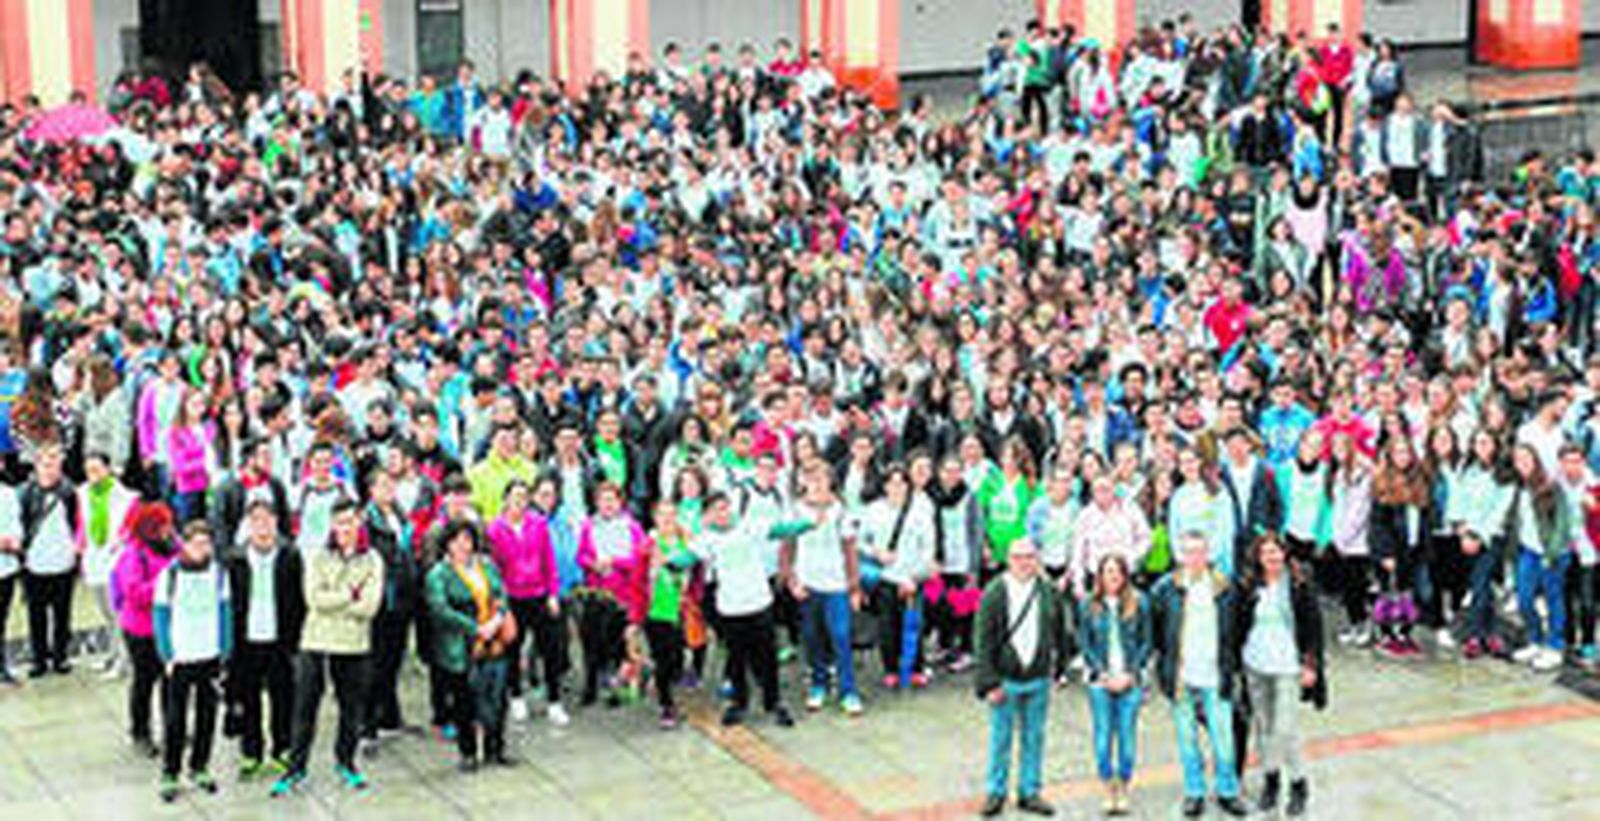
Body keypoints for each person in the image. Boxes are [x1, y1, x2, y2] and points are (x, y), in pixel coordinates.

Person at [273, 501, 384, 796]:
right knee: (305, 708)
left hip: (354, 644)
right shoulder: (319, 557)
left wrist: (335, 598)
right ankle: (296, 768)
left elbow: (369, 606)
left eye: (350, 522)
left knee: (351, 709)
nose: (345, 529)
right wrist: (349, 592)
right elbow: (313, 598)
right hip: (316, 641)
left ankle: (346, 762)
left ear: (358, 523)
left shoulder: (372, 559)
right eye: (339, 523)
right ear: (332, 526)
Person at [1150, 531, 1247, 818]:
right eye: (1189, 552)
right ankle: (1194, 792)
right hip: (1181, 677)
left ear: (1208, 554)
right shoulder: (1165, 588)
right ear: (1181, 555)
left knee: (1224, 740)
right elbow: (1157, 631)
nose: (1194, 558)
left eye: (1199, 552)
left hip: (1216, 676)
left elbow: (1237, 629)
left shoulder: (1225, 588)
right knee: (1187, 739)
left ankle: (1228, 791)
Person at [1233, 532, 1325, 817]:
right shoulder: (1249, 585)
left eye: (1276, 552)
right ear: (1258, 558)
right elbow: (1238, 626)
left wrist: (1311, 665)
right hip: (1256, 664)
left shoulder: (1298, 584)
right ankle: (1271, 781)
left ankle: (1299, 782)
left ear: (1284, 554)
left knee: (1285, 729)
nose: (1272, 558)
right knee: (1263, 725)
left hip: (1288, 666)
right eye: (1266, 553)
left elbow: (1314, 627)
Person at [692, 491, 795, 727]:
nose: (723, 513)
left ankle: (774, 701)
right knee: (736, 657)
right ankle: (740, 702)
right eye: (717, 509)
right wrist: (667, 562)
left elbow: (778, 530)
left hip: (759, 602)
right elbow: (688, 557)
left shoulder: (748, 526)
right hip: (730, 606)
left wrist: (807, 524)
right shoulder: (705, 539)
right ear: (707, 515)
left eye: (725, 507)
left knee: (767, 656)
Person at [974, 539, 1061, 817]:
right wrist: (989, 682)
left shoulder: (1047, 591)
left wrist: (1057, 670)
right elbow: (983, 641)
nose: (1024, 563)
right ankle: (996, 791)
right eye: (1018, 557)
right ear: (1009, 560)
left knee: (1034, 737)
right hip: (1005, 679)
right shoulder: (995, 592)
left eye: (1029, 557)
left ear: (1037, 560)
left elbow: (1060, 629)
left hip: (1038, 677)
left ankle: (1029, 791)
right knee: (1001, 738)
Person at [426, 520, 516, 770]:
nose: (463, 546)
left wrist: (496, 621)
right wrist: (475, 628)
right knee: (464, 701)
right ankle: (467, 752)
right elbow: (440, 610)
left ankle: (495, 747)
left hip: (494, 640)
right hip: (461, 645)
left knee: (497, 697)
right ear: (447, 544)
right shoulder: (439, 574)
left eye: (467, 539)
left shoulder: (486, 565)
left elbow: (501, 594)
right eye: (456, 541)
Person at [152, 522, 231, 803]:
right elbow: (160, 616)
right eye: (195, 543)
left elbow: (225, 611)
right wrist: (167, 654)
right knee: (175, 718)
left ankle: (200, 766)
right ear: (183, 544)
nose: (201, 549)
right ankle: (170, 770)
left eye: (206, 543)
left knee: (207, 716)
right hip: (180, 657)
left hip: (208, 654)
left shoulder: (219, 573)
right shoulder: (169, 575)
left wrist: (225, 648)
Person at [226, 499, 304, 778]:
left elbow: (298, 601)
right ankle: (251, 751)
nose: (262, 526)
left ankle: (282, 748)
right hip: (246, 640)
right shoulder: (235, 558)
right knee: (248, 698)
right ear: (248, 524)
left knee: (283, 696)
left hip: (279, 638)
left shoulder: (290, 555)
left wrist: (297, 641)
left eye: (267, 519)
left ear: (276, 522)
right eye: (256, 520)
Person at [780, 462, 865, 716]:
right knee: (811, 635)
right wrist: (792, 580)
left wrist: (854, 586)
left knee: (841, 634)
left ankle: (848, 689)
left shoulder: (840, 510)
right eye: (810, 478)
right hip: (808, 582)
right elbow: (787, 548)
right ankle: (818, 683)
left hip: (836, 582)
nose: (817, 483)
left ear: (830, 480)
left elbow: (850, 549)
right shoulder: (795, 510)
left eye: (821, 478)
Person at [1077, 555, 1149, 817]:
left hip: (1130, 681)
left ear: (1125, 575)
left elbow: (1146, 641)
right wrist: (1102, 673)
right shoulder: (1088, 604)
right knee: (1103, 740)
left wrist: (1131, 674)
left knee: (1128, 741)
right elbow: (1084, 642)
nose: (1113, 577)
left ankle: (1124, 785)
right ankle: (1108, 786)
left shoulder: (1140, 602)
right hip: (1100, 682)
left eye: (1117, 571)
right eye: (1108, 571)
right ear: (1100, 576)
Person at [486, 479, 560, 724]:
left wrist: (552, 593)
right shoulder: (495, 529)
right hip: (512, 597)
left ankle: (554, 700)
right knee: (513, 648)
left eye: (524, 497)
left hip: (538, 594)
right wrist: (499, 601)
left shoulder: (538, 525)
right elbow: (494, 568)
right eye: (515, 497)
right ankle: (516, 696)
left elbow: (548, 560)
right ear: (506, 499)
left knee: (550, 649)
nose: (519, 502)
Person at [575, 481, 648, 707]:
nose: (607, 505)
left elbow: (639, 559)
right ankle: (590, 686)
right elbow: (581, 555)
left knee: (617, 645)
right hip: (596, 593)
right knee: (591, 643)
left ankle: (617, 689)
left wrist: (615, 562)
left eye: (612, 500)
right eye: (603, 500)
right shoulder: (589, 526)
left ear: (620, 502)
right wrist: (593, 564)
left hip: (622, 595)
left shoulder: (632, 527)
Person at [114, 503, 178, 758]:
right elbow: (134, 592)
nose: (169, 529)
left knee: (170, 680)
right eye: (164, 525)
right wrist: (167, 584)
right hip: (141, 630)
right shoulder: (133, 554)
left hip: (169, 627)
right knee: (144, 681)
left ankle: (171, 729)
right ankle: (140, 732)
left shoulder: (174, 545)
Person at [1506, 443, 1571, 672]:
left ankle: (1555, 645)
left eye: (1526, 459)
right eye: (1517, 460)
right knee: (1524, 598)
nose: (1522, 464)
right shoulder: (1518, 488)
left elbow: (1563, 522)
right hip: (1528, 551)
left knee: (1554, 599)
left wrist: (1552, 552)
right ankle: (1535, 639)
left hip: (1551, 553)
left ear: (1536, 460)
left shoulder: (1550, 486)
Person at [76, 450, 138, 677]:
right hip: (93, 557)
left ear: (108, 469)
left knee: (117, 612)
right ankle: (112, 653)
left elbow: (130, 529)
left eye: (97, 469)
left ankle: (124, 660)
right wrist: (80, 546)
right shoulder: (82, 493)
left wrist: (120, 542)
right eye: (88, 470)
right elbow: (82, 522)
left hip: (114, 559)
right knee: (104, 611)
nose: (92, 475)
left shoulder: (126, 496)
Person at [19, 442, 78, 676]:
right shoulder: (25, 493)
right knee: (36, 616)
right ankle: (39, 658)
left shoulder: (70, 491)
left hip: (64, 562)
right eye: (45, 463)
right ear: (36, 465)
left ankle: (61, 656)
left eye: (55, 463)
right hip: (35, 564)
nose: (50, 468)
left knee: (62, 614)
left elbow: (77, 523)